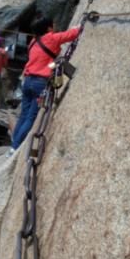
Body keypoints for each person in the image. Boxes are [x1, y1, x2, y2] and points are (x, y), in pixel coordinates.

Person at [8, 16, 80, 156]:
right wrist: (77, 27)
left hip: (28, 80)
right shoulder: (51, 38)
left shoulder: (33, 42)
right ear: (48, 28)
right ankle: (15, 147)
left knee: (23, 115)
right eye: (53, 25)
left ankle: (13, 144)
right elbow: (73, 34)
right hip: (39, 83)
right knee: (31, 117)